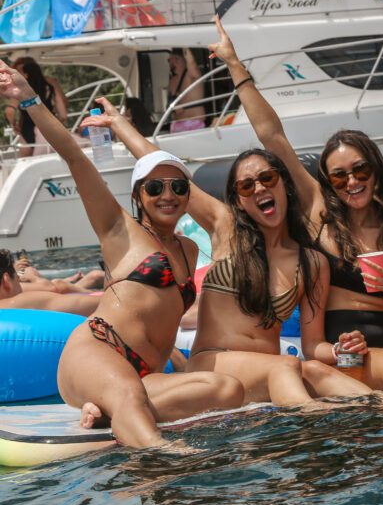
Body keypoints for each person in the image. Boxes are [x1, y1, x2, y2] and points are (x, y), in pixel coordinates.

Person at [207, 18, 383, 389]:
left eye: (360, 170)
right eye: (339, 176)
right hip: (345, 354)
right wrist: (234, 65)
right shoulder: (318, 214)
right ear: (329, 182)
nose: (351, 181)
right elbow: (273, 137)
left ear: (375, 169)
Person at [0, 60, 244, 448]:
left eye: (179, 188)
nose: (168, 195)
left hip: (145, 373)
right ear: (138, 195)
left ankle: (108, 409)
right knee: (129, 394)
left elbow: (165, 320)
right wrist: (29, 98)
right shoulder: (119, 230)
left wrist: (179, 363)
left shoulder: (190, 247)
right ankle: (169, 456)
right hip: (97, 351)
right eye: (155, 187)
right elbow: (74, 157)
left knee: (228, 388)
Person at [82, 99, 373, 406]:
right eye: (247, 187)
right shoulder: (228, 229)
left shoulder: (311, 262)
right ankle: (311, 430)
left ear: (284, 185)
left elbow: (313, 346)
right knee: (287, 367)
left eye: (267, 179)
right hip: (214, 363)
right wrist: (119, 125)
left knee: (315, 370)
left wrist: (340, 351)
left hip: (267, 371)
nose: (259, 189)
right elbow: (164, 169)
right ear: (239, 199)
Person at [0, 248, 100, 316]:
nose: (19, 279)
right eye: (16, 278)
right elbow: (99, 304)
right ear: (6, 281)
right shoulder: (21, 303)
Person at [11, 57, 67, 157]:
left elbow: (9, 110)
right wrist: (57, 123)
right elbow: (63, 113)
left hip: (27, 130)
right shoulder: (50, 83)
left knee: (28, 161)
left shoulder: (19, 88)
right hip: (50, 127)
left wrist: (14, 125)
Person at [167, 48, 206, 133]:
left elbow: (192, 63)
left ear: (184, 60)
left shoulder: (192, 75)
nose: (173, 62)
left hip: (193, 125)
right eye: (170, 60)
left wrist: (184, 45)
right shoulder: (172, 80)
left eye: (177, 59)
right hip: (175, 126)